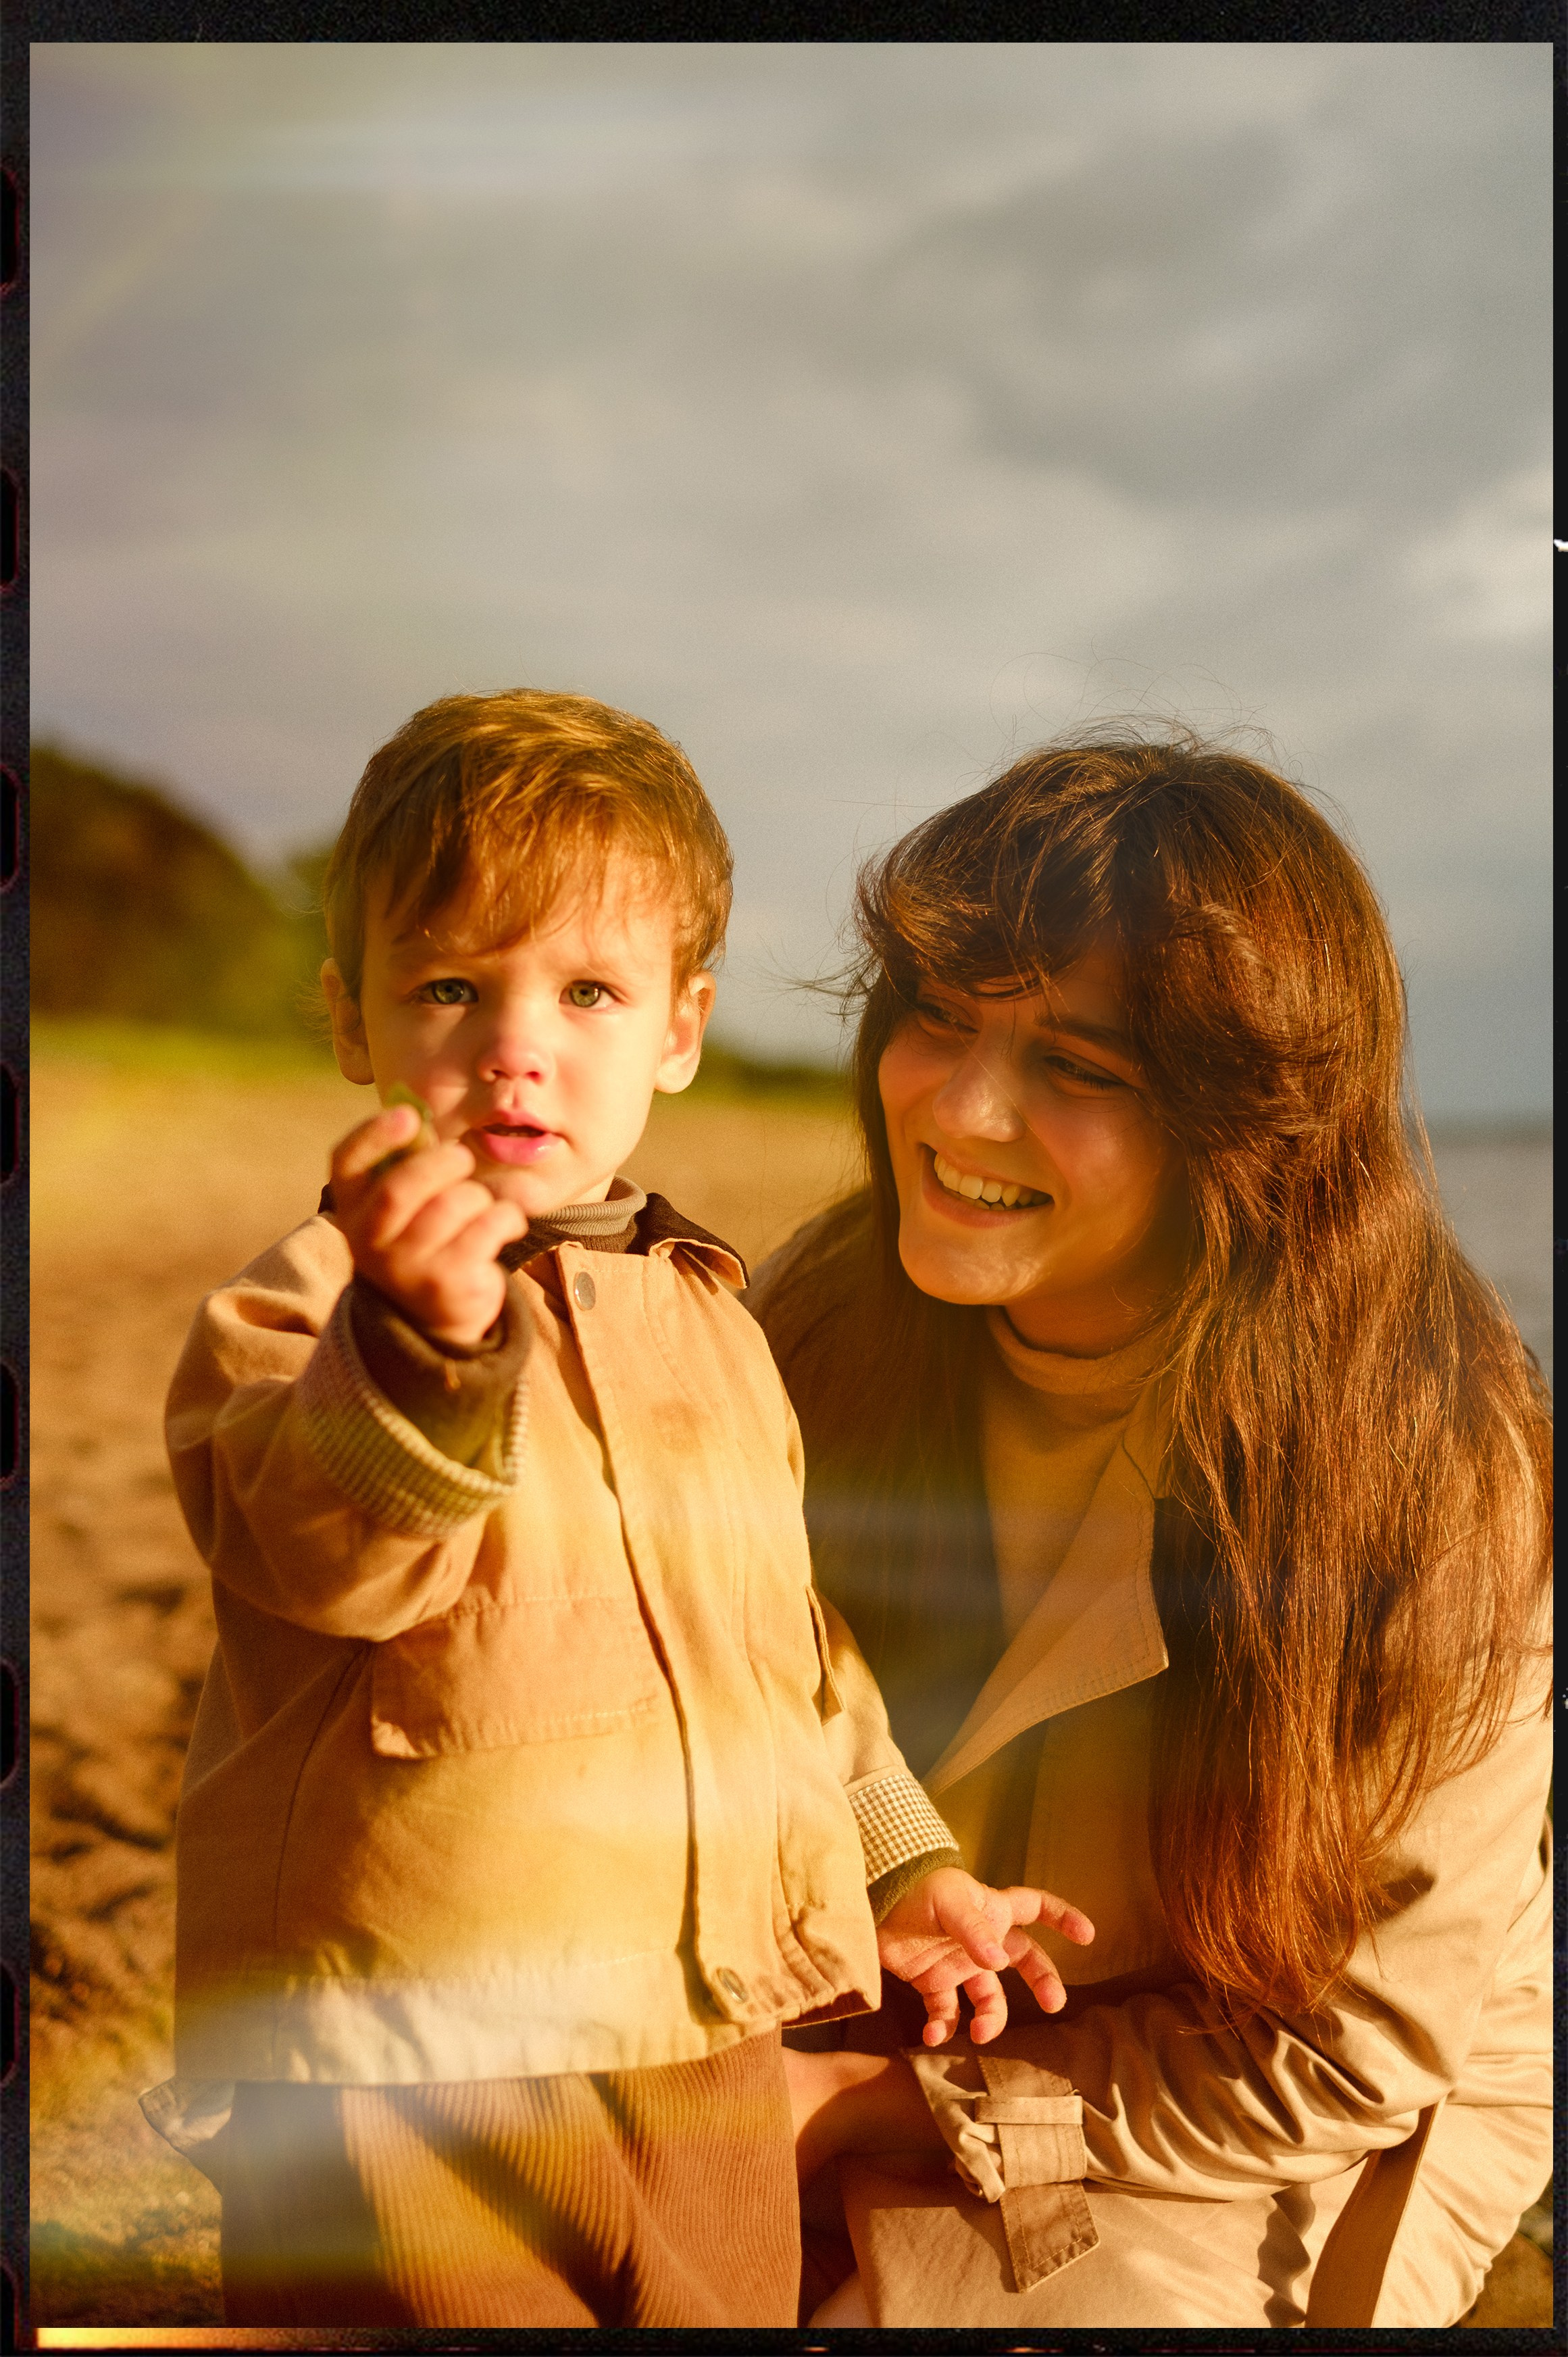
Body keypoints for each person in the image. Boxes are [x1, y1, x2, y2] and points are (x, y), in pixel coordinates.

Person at [140, 689, 1092, 2329]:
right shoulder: (309, 1309)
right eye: (450, 985)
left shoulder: (711, 1316)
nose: (518, 1042)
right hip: (416, 2058)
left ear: (680, 1028)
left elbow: (784, 1649)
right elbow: (321, 1543)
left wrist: (899, 1865)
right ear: (352, 1020)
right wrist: (422, 1347)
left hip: (705, 2032)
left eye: (588, 990)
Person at [751, 731, 1552, 2331]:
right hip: (873, 2005)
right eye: (940, 1020)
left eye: (1080, 1069)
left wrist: (850, 2113)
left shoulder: (1421, 1466)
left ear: (1243, 1133)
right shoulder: (822, 1320)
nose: (963, 1110)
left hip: (1254, 2126)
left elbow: (1347, 2052)